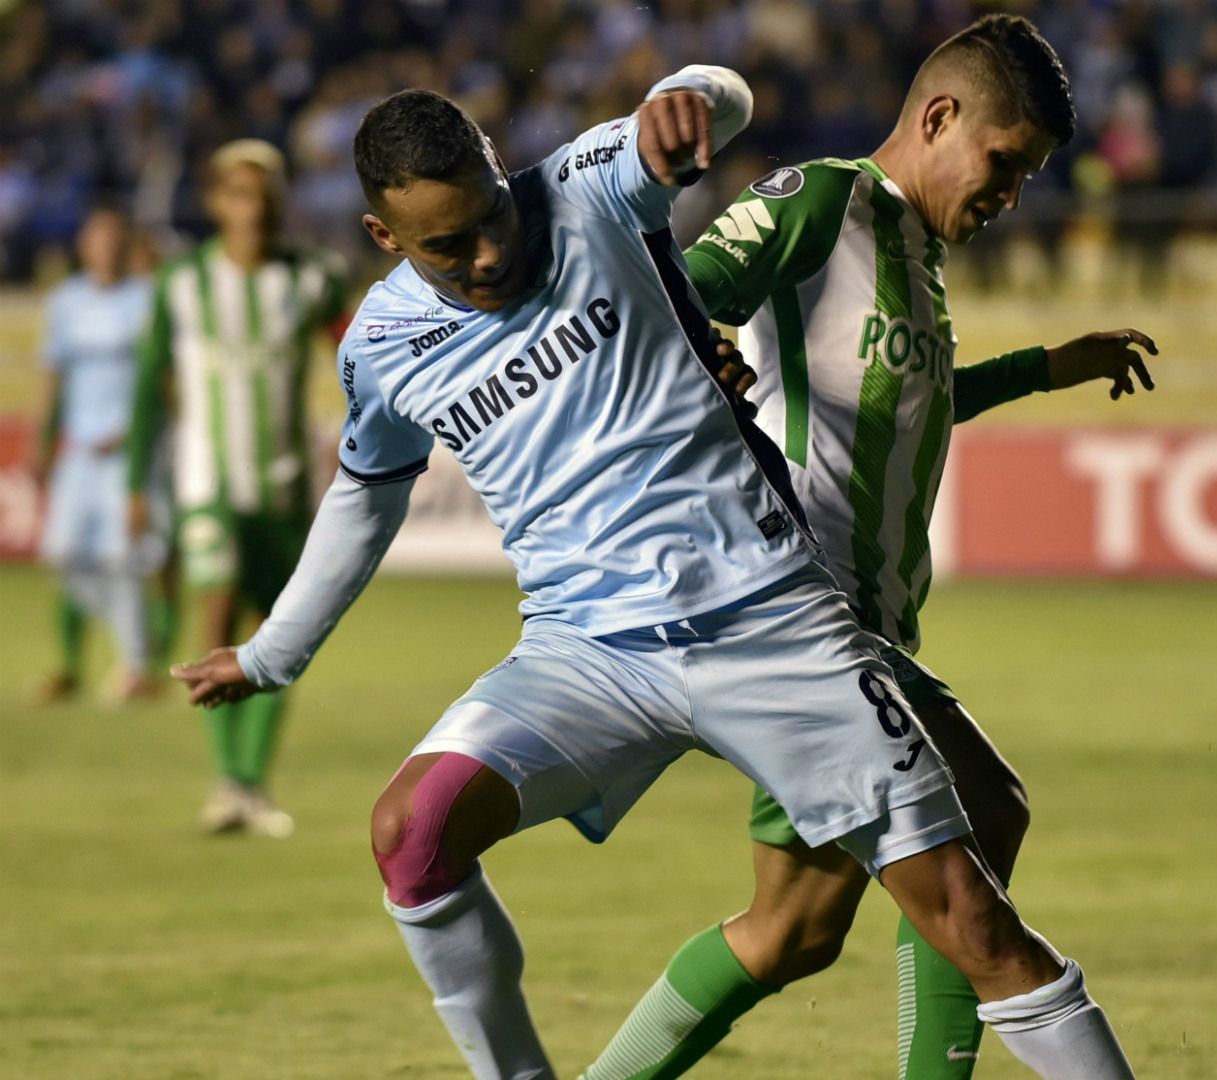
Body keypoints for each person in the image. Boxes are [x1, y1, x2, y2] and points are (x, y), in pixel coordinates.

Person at [168, 64, 1135, 1079]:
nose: (493, 253)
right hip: (582, 652)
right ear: (385, 240)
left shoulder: (586, 185)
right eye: (450, 246)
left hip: (770, 620)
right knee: (411, 834)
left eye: (494, 216)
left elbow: (718, 97)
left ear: (505, 174)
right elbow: (365, 497)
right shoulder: (381, 345)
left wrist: (690, 97)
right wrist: (274, 653)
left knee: (972, 919)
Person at [584, 17, 1156, 1080]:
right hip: (807, 621)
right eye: (1005, 163)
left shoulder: (917, 259)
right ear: (939, 117)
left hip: (868, 627)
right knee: (981, 829)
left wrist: (1044, 367)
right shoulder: (822, 203)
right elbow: (680, 297)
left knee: (789, 931)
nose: (1010, 195)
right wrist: (702, 346)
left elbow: (909, 406)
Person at [128, 139, 349, 838]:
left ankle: (250, 783)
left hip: (285, 488)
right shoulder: (182, 283)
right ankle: (229, 781)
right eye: (240, 194)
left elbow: (360, 357)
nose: (254, 210)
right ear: (217, 201)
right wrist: (137, 479)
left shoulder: (312, 279)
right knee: (216, 611)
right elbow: (148, 384)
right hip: (208, 485)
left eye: (266, 195)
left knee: (276, 638)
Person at [33, 204, 163, 703]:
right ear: (84, 246)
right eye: (97, 239)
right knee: (62, 554)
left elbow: (159, 381)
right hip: (78, 452)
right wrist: (44, 442)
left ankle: (133, 667)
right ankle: (138, 641)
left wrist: (138, 431)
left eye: (114, 239)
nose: (106, 248)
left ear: (125, 245)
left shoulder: (146, 300)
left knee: (121, 558)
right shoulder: (65, 303)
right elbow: (54, 376)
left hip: (128, 451)